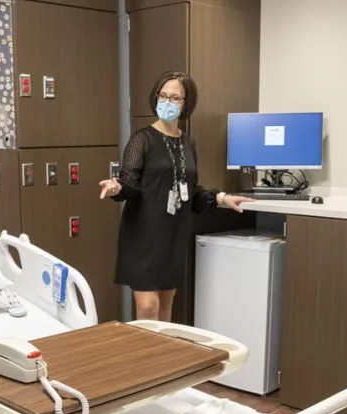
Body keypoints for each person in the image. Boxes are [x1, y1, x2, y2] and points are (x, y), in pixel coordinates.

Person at [99, 71, 253, 321]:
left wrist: (222, 198)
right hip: (144, 234)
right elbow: (129, 182)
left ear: (185, 104)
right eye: (163, 96)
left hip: (173, 233)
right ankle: (146, 360)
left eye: (174, 98)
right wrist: (116, 188)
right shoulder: (142, 139)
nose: (167, 102)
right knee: (148, 306)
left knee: (166, 304)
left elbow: (191, 191)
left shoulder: (188, 144)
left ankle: (162, 359)